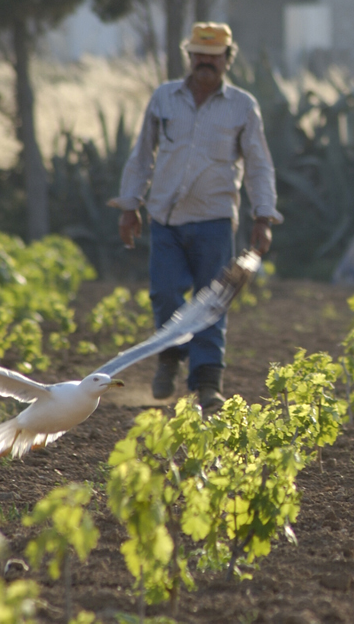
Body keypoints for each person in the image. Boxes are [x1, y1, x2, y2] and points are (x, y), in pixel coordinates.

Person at [108, 22, 281, 413]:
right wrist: (130, 206)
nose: (206, 61)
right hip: (166, 219)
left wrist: (263, 217)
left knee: (212, 303)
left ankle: (207, 384)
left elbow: (259, 165)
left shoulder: (242, 106)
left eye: (214, 55)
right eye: (199, 54)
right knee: (165, 293)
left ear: (227, 59)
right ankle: (170, 357)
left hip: (215, 220)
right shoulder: (164, 98)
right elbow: (142, 155)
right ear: (189, 56)